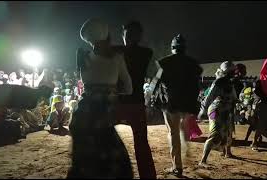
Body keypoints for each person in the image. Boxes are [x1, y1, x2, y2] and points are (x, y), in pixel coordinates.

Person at [67, 18, 133, 178]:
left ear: (87, 39)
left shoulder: (82, 57)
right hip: (102, 119)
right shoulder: (117, 58)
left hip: (82, 117)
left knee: (83, 166)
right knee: (114, 168)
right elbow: (129, 89)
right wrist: (111, 90)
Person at [113, 20, 157, 179]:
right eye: (128, 34)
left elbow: (102, 49)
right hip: (134, 103)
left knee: (107, 138)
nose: (130, 37)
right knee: (141, 143)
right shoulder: (146, 52)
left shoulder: (118, 51)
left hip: (119, 102)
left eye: (131, 34)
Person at [156, 34, 202, 177]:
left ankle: (177, 166)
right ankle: (186, 151)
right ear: (184, 48)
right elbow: (197, 85)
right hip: (188, 104)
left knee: (173, 133)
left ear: (172, 47)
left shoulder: (164, 62)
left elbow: (156, 82)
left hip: (171, 104)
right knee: (183, 130)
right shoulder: (194, 64)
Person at [198, 61, 237, 166]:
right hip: (216, 111)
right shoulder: (218, 82)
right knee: (214, 135)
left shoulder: (229, 83)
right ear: (227, 71)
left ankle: (227, 153)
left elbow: (234, 98)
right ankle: (203, 160)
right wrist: (202, 111)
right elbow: (209, 98)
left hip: (225, 111)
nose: (234, 73)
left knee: (228, 133)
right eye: (232, 71)